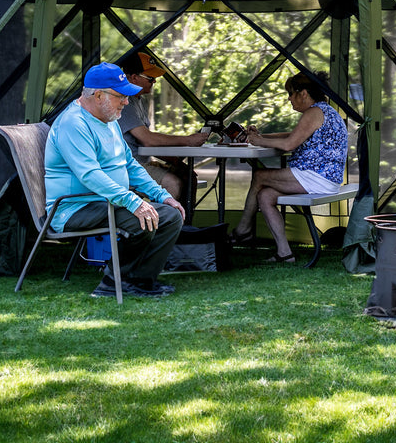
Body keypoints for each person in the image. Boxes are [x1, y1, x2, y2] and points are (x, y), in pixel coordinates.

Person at [44, 62, 185, 298]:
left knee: (170, 215)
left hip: (102, 201)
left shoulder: (109, 120)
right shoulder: (73, 123)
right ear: (98, 95)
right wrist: (133, 201)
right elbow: (90, 175)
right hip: (74, 207)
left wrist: (163, 195)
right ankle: (112, 283)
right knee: (142, 217)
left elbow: (129, 165)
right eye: (121, 96)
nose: (126, 102)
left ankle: (139, 281)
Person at [230, 72, 348, 263]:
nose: (289, 98)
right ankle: (285, 253)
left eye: (291, 93)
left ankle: (243, 230)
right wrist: (263, 137)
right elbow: (293, 135)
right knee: (265, 195)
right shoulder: (324, 111)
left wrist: (256, 140)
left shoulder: (314, 112)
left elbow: (289, 145)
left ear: (303, 93)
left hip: (317, 177)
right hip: (325, 178)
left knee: (260, 175)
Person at [117, 51, 209, 203]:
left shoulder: (139, 100)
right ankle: (163, 225)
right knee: (173, 183)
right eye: (151, 78)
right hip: (128, 167)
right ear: (134, 77)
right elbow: (148, 140)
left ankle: (185, 225)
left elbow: (144, 142)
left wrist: (175, 162)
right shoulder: (124, 102)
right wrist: (188, 140)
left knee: (188, 176)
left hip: (142, 162)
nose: (154, 82)